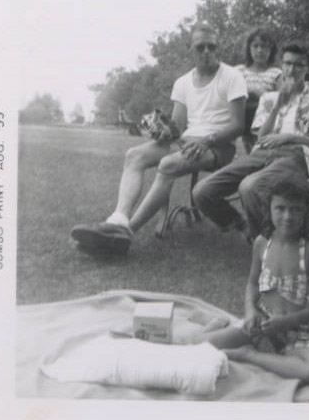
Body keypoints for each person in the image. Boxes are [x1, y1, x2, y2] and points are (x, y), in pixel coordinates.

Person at [69, 23, 246, 255]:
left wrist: (206, 141)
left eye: (211, 47)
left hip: (218, 146)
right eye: (200, 47)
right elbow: (178, 127)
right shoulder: (183, 82)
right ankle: (118, 220)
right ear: (191, 49)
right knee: (134, 155)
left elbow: (238, 125)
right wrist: (162, 131)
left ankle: (124, 235)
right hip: (188, 141)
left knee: (168, 164)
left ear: (217, 48)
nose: (206, 52)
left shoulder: (232, 77)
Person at [194, 179, 309, 384]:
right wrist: (251, 312)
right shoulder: (262, 243)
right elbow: (252, 284)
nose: (287, 216)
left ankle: (250, 355)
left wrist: (288, 322)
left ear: (307, 213)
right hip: (263, 322)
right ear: (269, 209)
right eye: (280, 208)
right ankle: (235, 333)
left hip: (300, 330)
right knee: (198, 345)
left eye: (296, 210)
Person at [193, 41, 309, 241]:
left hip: (298, 156)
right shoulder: (269, 97)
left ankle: (270, 245)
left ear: (308, 68)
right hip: (263, 153)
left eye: (298, 65)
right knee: (202, 192)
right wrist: (278, 104)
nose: (291, 70)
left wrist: (290, 137)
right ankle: (245, 227)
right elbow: (260, 138)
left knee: (250, 187)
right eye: (287, 63)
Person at [235, 27, 283, 153]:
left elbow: (281, 100)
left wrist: (259, 94)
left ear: (271, 50)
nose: (259, 50)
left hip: (265, 121)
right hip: (240, 118)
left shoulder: (276, 73)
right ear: (249, 49)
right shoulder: (238, 71)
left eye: (264, 47)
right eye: (255, 46)